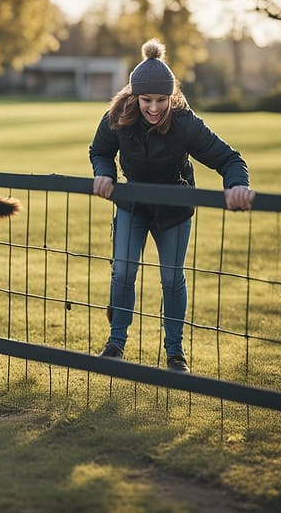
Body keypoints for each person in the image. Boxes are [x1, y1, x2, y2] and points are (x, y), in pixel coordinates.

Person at [89, 38, 255, 373]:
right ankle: (115, 344)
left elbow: (229, 159)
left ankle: (175, 353)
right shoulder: (118, 115)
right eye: (146, 99)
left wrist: (237, 186)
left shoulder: (185, 123)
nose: (153, 107)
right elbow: (100, 151)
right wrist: (105, 174)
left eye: (161, 100)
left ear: (171, 96)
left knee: (171, 279)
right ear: (134, 95)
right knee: (123, 271)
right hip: (132, 206)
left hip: (174, 211)